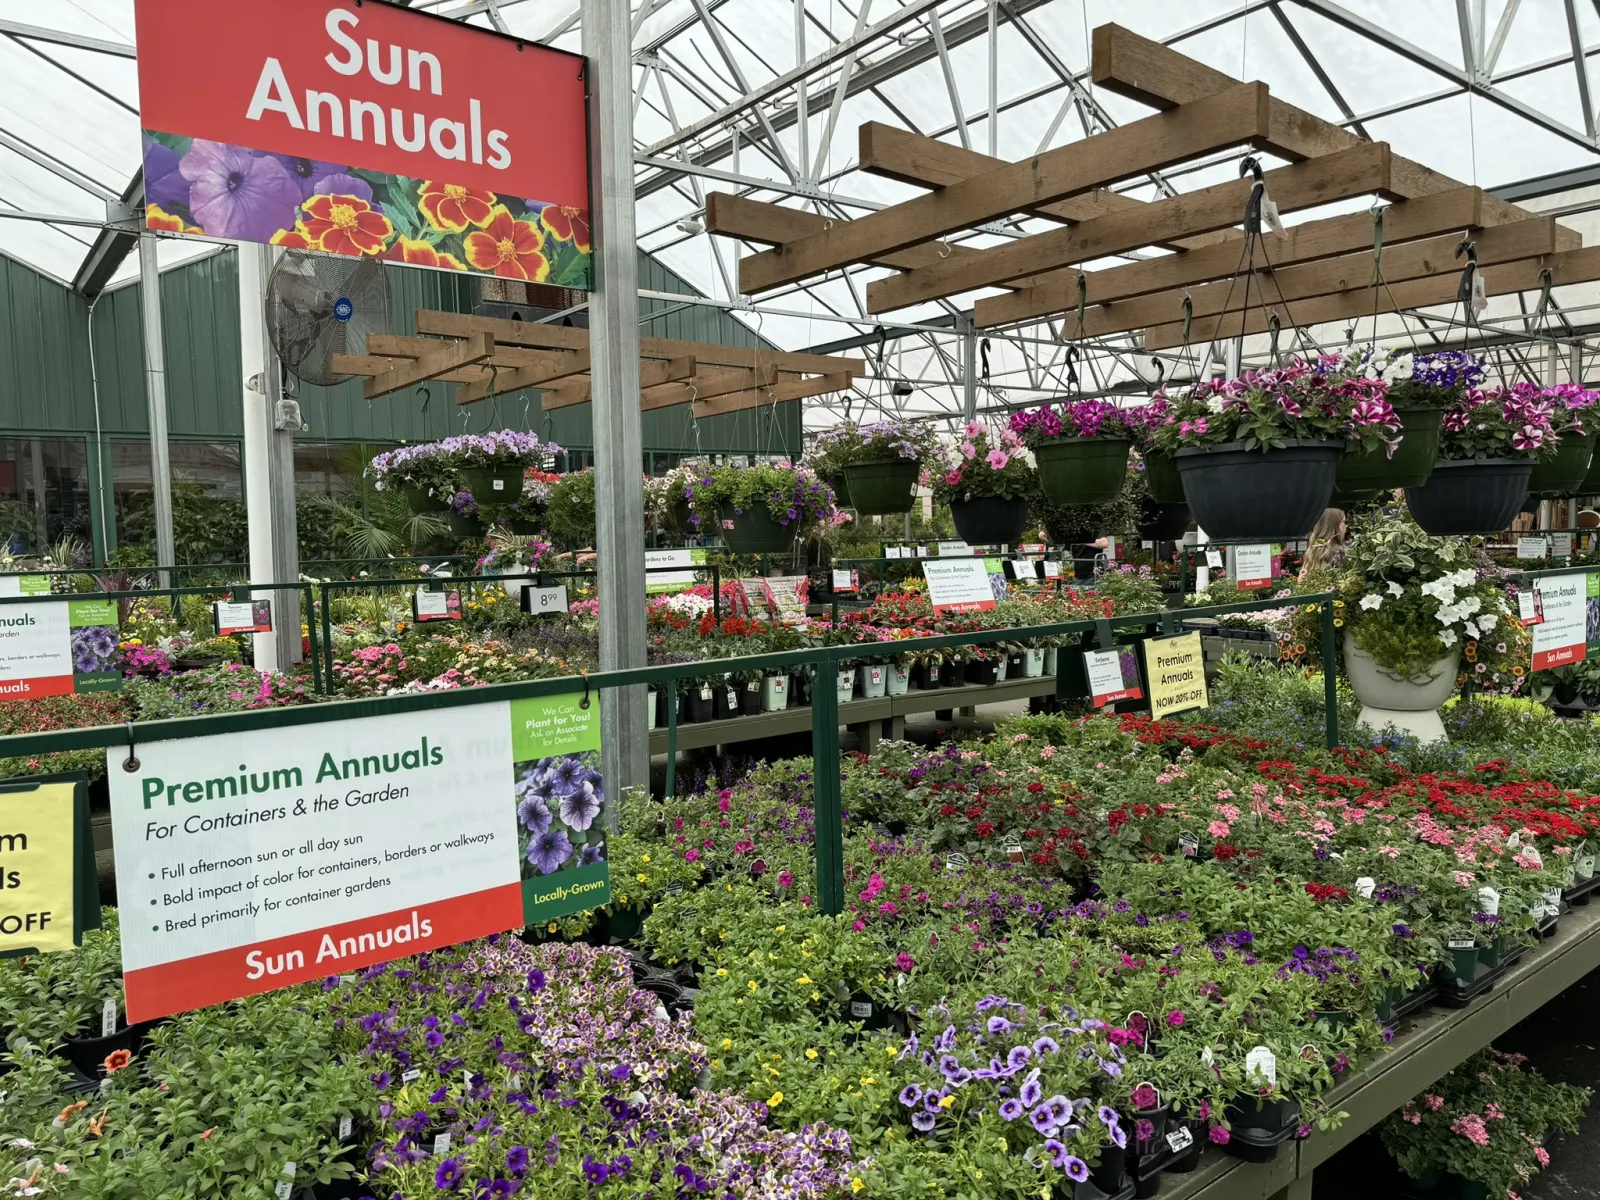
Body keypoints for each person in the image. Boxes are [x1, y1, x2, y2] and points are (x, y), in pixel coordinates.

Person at [1298, 508, 1348, 580]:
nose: (1346, 526)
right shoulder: (1341, 552)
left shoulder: (1313, 550)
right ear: (1334, 524)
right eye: (1344, 522)